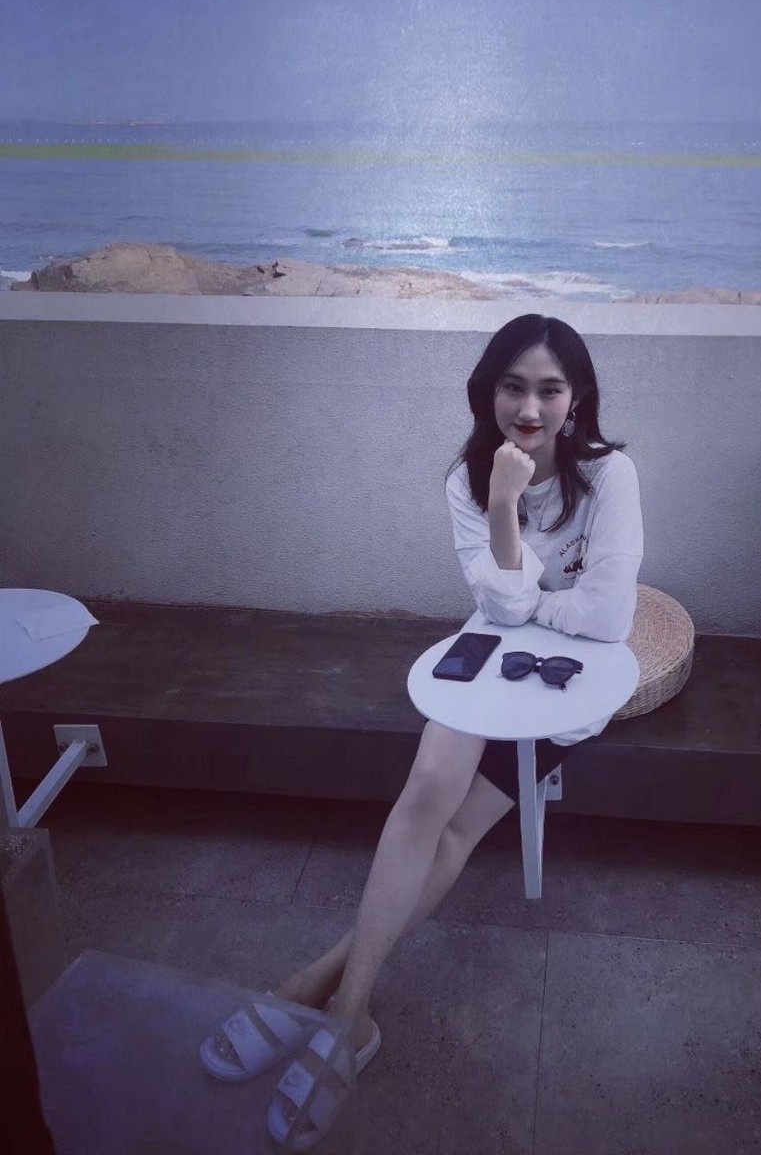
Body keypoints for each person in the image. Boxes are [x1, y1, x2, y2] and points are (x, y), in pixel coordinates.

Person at [200, 314, 643, 1135]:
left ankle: (319, 989)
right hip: (489, 655)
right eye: (513, 386)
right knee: (426, 794)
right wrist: (504, 504)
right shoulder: (468, 480)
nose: (530, 408)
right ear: (488, 391)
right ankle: (351, 1014)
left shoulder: (611, 476)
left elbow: (610, 618)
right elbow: (500, 611)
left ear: (577, 398)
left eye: (549, 389)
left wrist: (537, 604)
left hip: (570, 685)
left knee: (457, 831)